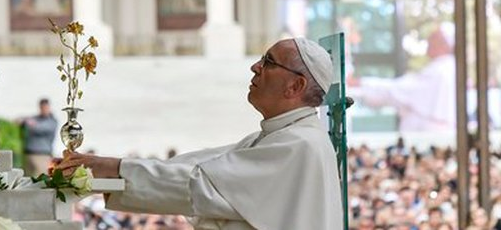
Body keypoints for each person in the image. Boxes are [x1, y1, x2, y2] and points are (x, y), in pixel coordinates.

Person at [57, 37, 343, 230]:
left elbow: (200, 184)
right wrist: (111, 171)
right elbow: (199, 165)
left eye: (268, 62)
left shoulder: (300, 144)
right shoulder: (280, 137)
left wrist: (115, 169)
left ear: (295, 87)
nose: (255, 67)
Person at [21, 98, 58, 177]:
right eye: (42, 107)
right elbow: (21, 120)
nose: (43, 109)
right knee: (26, 179)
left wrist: (30, 123)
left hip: (42, 155)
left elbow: (39, 128)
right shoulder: (36, 118)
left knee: (41, 179)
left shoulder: (52, 121)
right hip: (29, 154)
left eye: (45, 107)